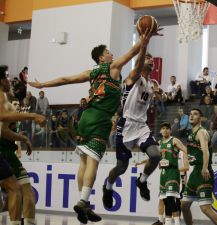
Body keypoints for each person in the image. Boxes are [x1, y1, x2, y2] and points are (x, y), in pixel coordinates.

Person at [29, 30, 155, 224]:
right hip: (99, 119)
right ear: (102, 57)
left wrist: (42, 84)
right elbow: (132, 54)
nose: (112, 54)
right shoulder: (113, 68)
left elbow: (65, 79)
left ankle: (84, 203)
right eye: (109, 52)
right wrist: (144, 39)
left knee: (83, 162)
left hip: (85, 118)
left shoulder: (91, 73)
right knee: (93, 163)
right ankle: (83, 201)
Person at [102, 48, 162, 208]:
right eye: (148, 57)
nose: (151, 60)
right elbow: (138, 63)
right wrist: (144, 43)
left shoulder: (152, 83)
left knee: (156, 156)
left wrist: (159, 94)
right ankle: (107, 188)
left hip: (142, 125)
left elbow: (155, 96)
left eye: (152, 58)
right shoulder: (133, 77)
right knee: (121, 168)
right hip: (126, 124)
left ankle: (142, 181)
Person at [0, 65, 46, 225]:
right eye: (6, 77)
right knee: (17, 189)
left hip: (6, 151)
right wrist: (33, 116)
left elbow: (4, 131)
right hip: (3, 150)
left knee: (20, 189)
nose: (10, 81)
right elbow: (4, 118)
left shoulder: (7, 100)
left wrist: (22, 139)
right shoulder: (4, 100)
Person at [181, 108, 217, 225]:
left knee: (205, 208)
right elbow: (192, 151)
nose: (191, 116)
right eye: (190, 114)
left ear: (200, 118)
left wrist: (205, 168)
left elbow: (206, 151)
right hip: (195, 173)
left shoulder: (201, 132)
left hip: (203, 172)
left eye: (195, 114)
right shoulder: (190, 133)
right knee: (184, 206)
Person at [158, 122, 188, 225]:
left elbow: (185, 150)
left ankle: (177, 222)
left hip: (173, 172)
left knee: (170, 200)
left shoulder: (174, 140)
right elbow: (158, 158)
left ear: (170, 130)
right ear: (160, 131)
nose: (165, 130)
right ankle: (168, 222)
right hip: (163, 174)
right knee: (165, 200)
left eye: (167, 128)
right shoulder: (160, 142)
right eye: (163, 128)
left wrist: (187, 159)